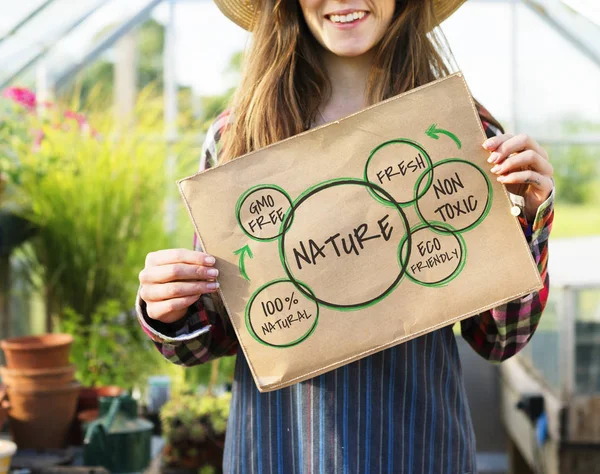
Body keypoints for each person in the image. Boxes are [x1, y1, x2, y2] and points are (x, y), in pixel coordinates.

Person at [136, 1, 554, 472]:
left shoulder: (464, 132)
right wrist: (169, 306)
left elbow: (498, 339)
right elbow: (215, 336)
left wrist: (529, 219)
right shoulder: (238, 137)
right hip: (282, 451)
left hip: (417, 449)